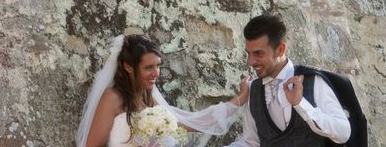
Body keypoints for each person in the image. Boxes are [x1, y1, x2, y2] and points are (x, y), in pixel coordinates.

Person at [76, 34, 248, 147]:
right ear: (128, 67)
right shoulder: (112, 98)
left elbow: (193, 122)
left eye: (158, 65)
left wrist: (240, 98)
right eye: (148, 67)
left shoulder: (148, 98)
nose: (156, 73)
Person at [225, 14, 351, 146]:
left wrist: (301, 104)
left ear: (280, 49)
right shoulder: (253, 90)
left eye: (258, 53)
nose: (250, 62)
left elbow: (343, 133)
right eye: (248, 54)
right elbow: (250, 142)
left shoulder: (313, 81)